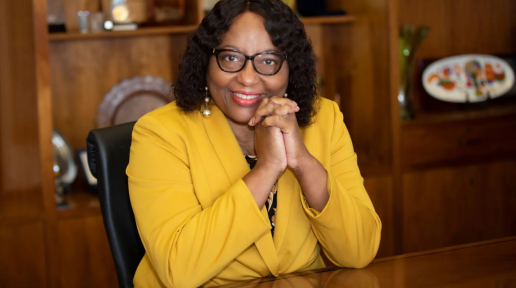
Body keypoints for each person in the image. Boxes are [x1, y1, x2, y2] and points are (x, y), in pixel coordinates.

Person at [127, 0, 381, 287]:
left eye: (268, 60)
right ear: (206, 61)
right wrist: (268, 168)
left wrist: (302, 161)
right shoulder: (160, 133)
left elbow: (360, 251)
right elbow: (178, 270)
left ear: (291, 68)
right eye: (231, 58)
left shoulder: (325, 120)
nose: (248, 78)